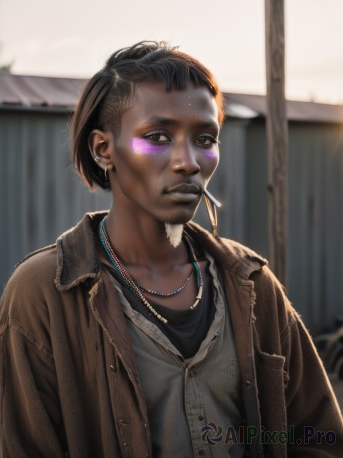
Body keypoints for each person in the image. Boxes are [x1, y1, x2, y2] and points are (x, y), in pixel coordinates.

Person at [0, 41, 342, 458]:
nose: (188, 162)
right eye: (157, 136)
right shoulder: (44, 295)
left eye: (204, 138)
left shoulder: (251, 284)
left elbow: (317, 437)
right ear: (102, 149)